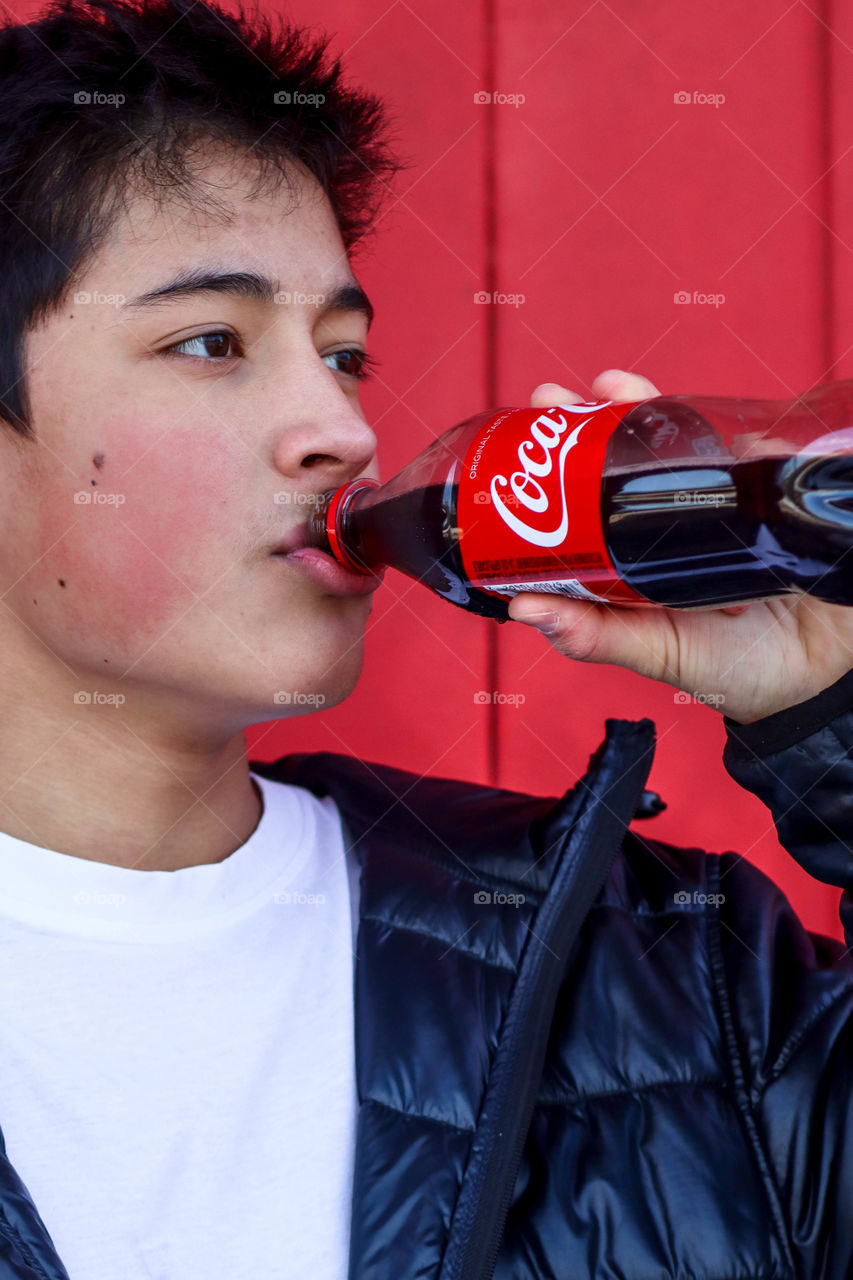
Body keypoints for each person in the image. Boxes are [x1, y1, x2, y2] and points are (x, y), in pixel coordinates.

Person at [0, 0, 848, 1277]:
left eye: (343, 354)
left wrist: (831, 724)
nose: (339, 429)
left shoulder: (665, 966)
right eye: (211, 342)